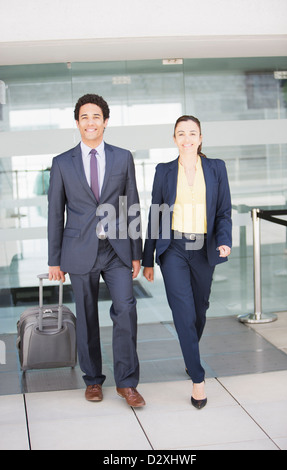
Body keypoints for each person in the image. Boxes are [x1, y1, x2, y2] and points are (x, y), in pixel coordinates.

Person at [47, 94, 145, 407]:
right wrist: (54, 260)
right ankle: (93, 381)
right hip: (78, 249)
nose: (91, 122)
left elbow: (132, 206)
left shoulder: (122, 157)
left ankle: (127, 382)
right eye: (85, 117)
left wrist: (136, 253)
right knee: (87, 316)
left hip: (117, 249)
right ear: (78, 123)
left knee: (126, 310)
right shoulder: (62, 162)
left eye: (96, 116)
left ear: (105, 121)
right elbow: (55, 213)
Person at [143, 115, 232, 410]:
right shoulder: (164, 171)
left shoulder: (216, 168)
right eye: (181, 134)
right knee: (182, 312)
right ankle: (197, 378)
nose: (187, 138)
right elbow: (156, 214)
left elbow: (223, 211)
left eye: (192, 133)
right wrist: (148, 258)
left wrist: (224, 239)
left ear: (201, 137)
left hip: (204, 247)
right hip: (175, 249)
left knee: (199, 310)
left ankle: (189, 350)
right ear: (174, 139)